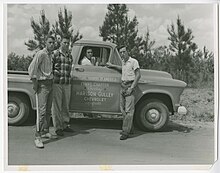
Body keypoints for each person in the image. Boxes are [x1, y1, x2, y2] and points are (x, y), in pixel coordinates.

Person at [28, 35, 57, 149]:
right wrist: (35, 83)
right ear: (45, 43)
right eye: (50, 42)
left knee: (49, 110)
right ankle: (37, 136)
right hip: (43, 85)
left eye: (53, 43)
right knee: (42, 111)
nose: (52, 44)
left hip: (50, 83)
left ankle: (45, 131)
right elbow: (32, 68)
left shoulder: (51, 55)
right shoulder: (41, 54)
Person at [107, 45, 141, 140]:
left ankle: (125, 132)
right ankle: (130, 128)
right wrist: (112, 66)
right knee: (122, 109)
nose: (122, 54)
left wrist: (132, 87)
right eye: (121, 52)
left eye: (124, 52)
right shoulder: (123, 62)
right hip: (122, 86)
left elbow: (138, 75)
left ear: (127, 52)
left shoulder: (134, 62)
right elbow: (122, 68)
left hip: (130, 86)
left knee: (129, 110)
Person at [52, 36, 74, 136]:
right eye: (64, 42)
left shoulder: (70, 56)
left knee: (66, 105)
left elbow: (70, 69)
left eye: (67, 43)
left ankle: (65, 125)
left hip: (66, 83)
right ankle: (58, 127)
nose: (66, 44)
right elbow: (50, 67)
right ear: (60, 43)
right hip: (57, 83)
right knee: (57, 105)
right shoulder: (55, 53)